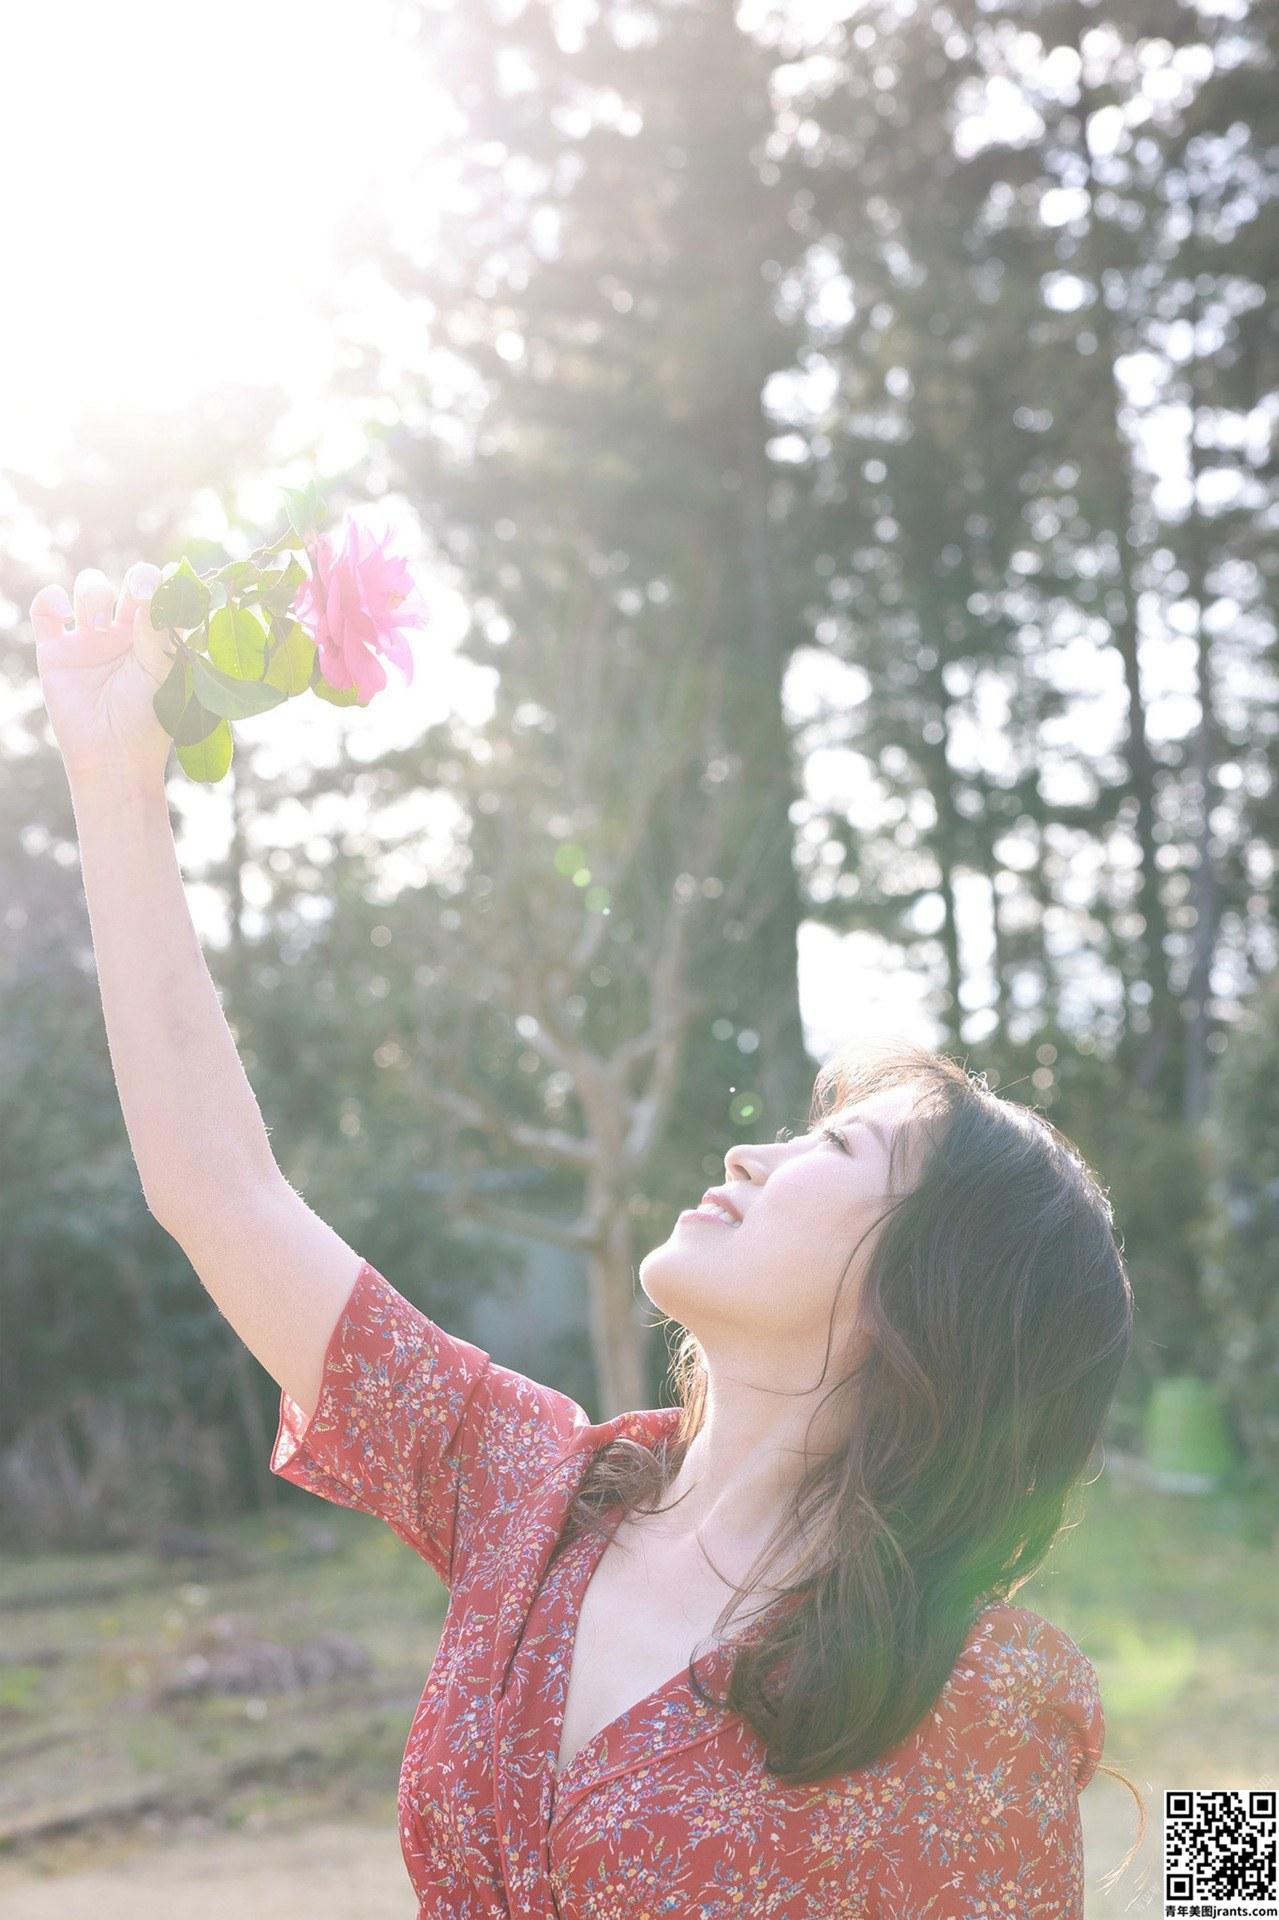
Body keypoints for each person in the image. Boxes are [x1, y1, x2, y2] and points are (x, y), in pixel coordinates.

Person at [30, 565, 1146, 1917]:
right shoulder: (530, 1495)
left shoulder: (980, 1698)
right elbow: (222, 1192)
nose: (749, 1153)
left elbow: (1221, 1861)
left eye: (836, 1151)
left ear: (934, 1301)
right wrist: (111, 768)